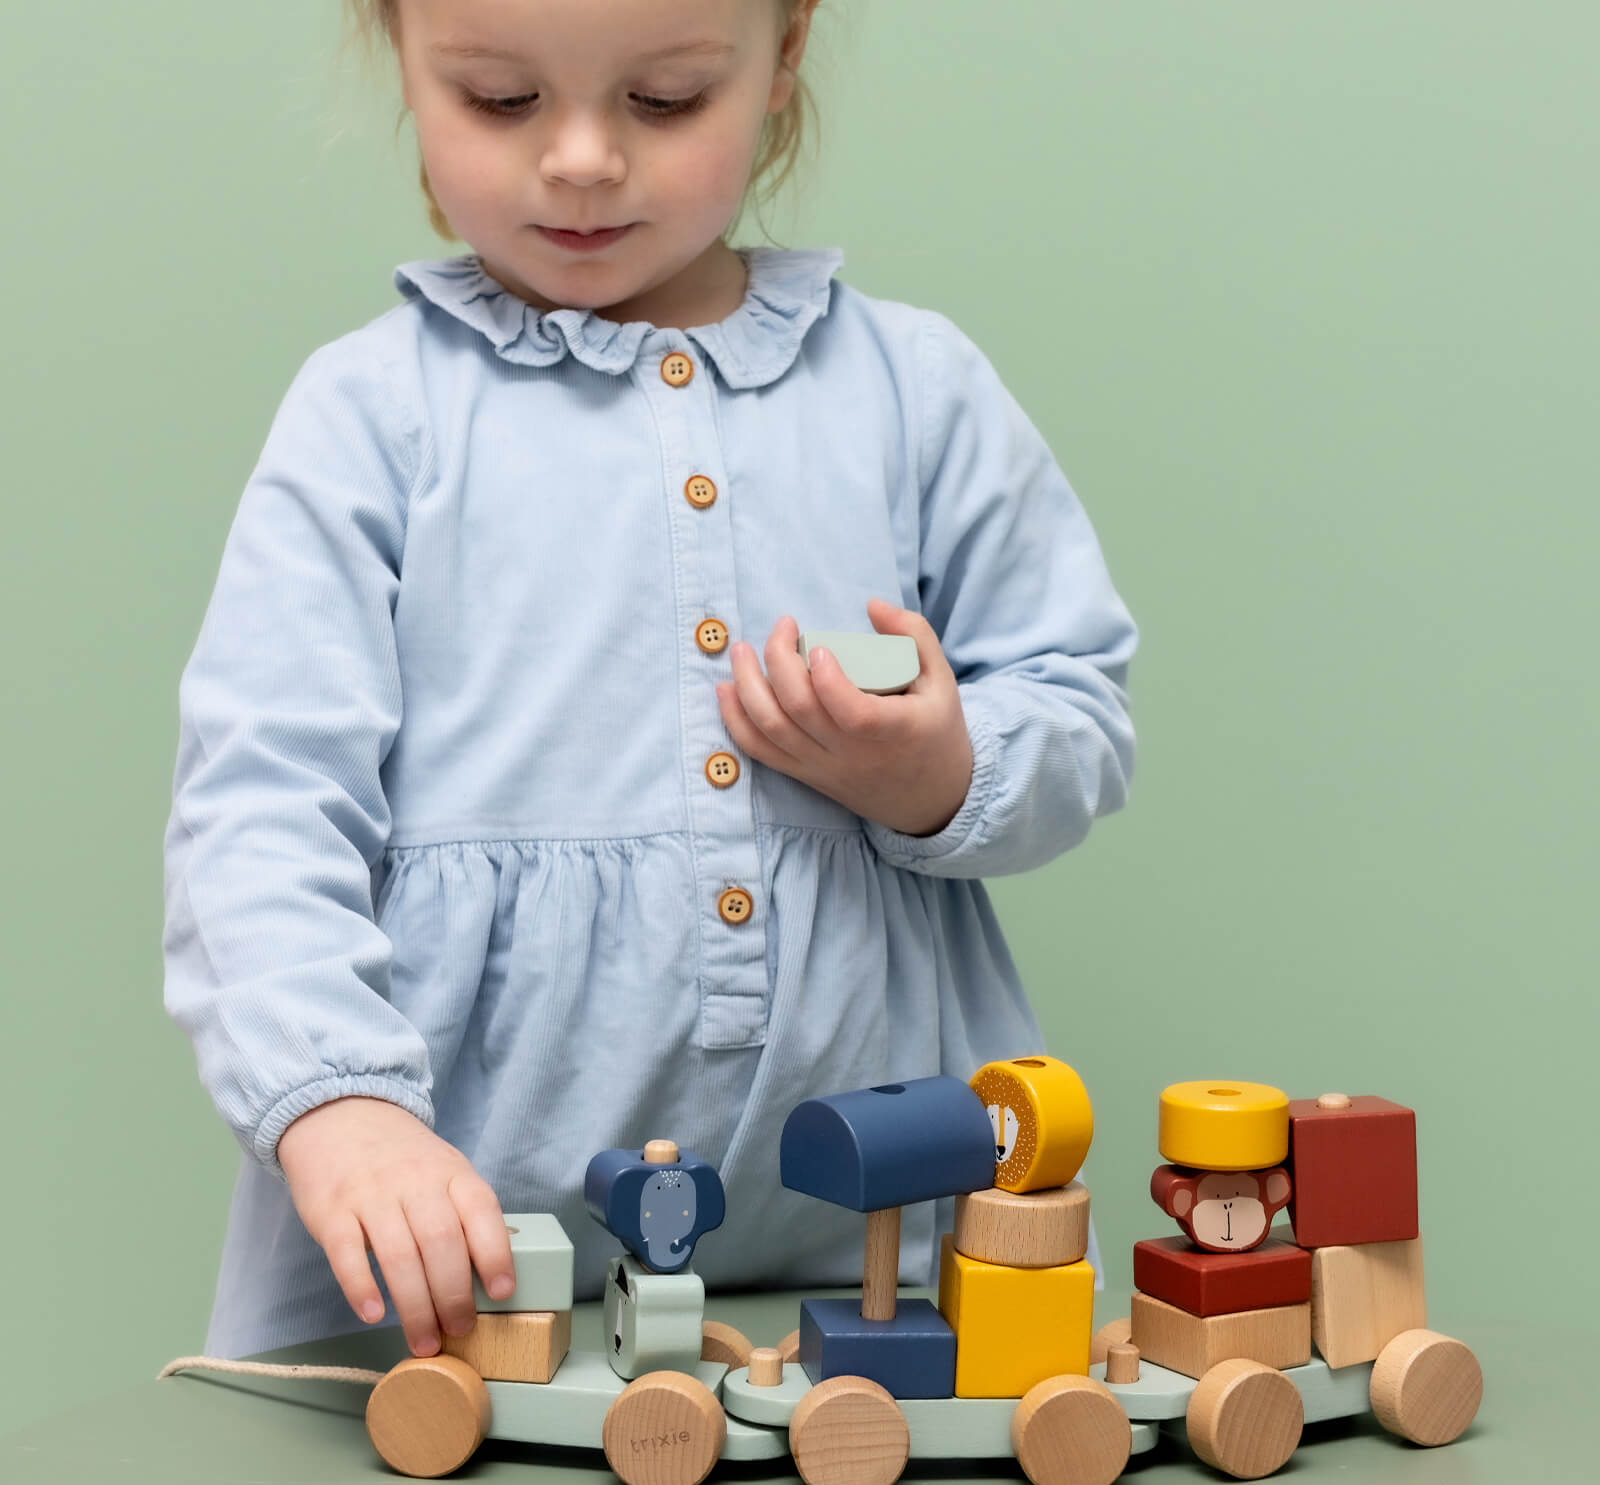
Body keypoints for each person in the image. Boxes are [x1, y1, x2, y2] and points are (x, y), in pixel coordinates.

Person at [162, 0, 1139, 1364]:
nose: (578, 159)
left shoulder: (912, 390)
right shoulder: (371, 418)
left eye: (665, 100)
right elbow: (258, 816)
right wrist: (340, 1111)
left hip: (877, 1271)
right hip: (446, 1283)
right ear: (404, 56)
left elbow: (1080, 700)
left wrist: (940, 770)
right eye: (501, 99)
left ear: (782, 59)